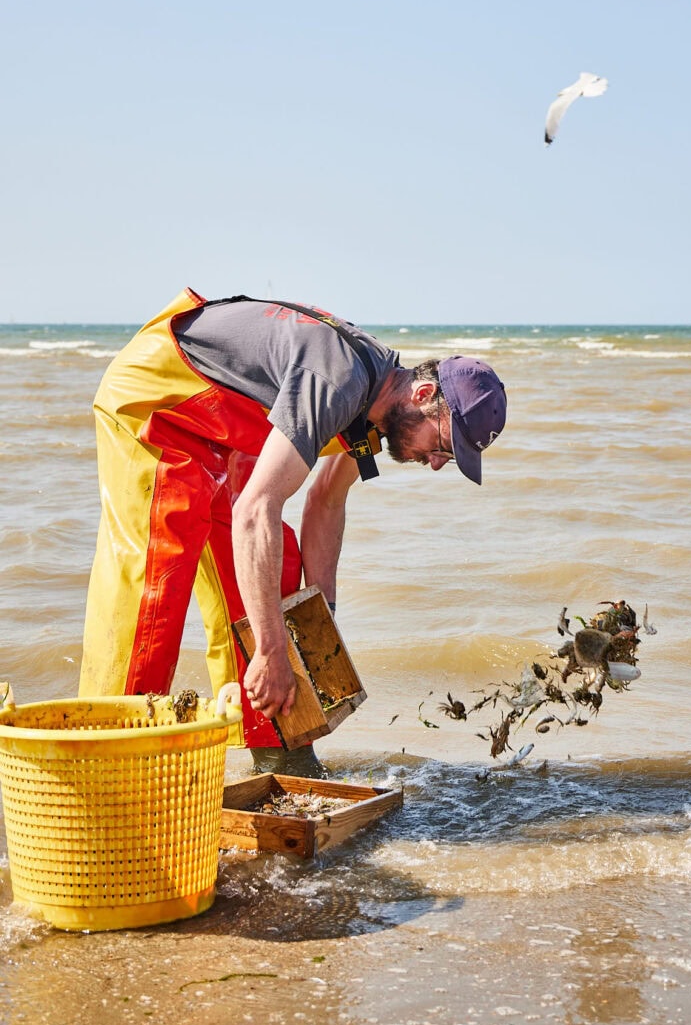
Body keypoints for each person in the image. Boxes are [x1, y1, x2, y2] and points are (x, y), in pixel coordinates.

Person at [79, 287, 507, 774]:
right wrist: (271, 650)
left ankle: (281, 756)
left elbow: (326, 500)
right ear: (425, 395)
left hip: (222, 429)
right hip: (159, 403)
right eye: (443, 447)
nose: (435, 464)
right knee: (160, 577)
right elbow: (255, 510)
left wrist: (317, 627)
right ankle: (107, 761)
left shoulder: (377, 411)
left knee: (272, 573)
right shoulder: (339, 382)